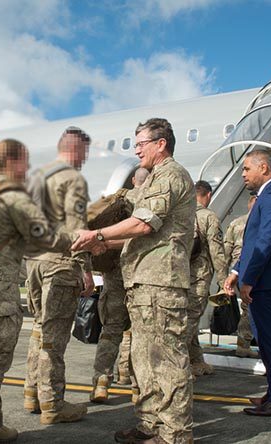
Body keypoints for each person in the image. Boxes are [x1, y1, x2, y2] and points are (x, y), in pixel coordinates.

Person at [73, 118, 196, 444]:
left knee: (166, 362)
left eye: (141, 142)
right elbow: (140, 236)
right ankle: (148, 426)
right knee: (143, 361)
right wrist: (102, 243)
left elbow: (143, 225)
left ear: (161, 144)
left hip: (161, 284)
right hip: (143, 284)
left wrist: (96, 233)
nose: (136, 148)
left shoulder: (170, 174)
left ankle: (174, 435)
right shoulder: (154, 178)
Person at [0, 139, 79, 444]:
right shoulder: (12, 196)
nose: (28, 167)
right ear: (12, 161)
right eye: (25, 160)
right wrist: (82, 237)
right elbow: (45, 235)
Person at [24, 126, 93, 424]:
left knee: (39, 330)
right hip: (59, 264)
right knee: (54, 340)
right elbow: (77, 228)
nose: (85, 159)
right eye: (85, 153)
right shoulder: (72, 178)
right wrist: (86, 269)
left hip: (33, 264)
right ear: (75, 149)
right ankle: (53, 405)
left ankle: (32, 395)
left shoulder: (36, 178)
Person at [224, 149, 271, 417]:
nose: (242, 174)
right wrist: (236, 271)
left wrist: (249, 279)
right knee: (265, 341)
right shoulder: (266, 196)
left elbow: (265, 243)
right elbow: (253, 243)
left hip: (265, 282)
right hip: (261, 280)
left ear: (263, 168)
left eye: (246, 169)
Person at [91, 167, 149, 402]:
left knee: (111, 329)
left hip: (114, 274)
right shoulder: (149, 203)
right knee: (139, 333)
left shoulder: (119, 200)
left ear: (134, 180)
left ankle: (101, 382)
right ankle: (138, 388)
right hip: (140, 274)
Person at [187, 180, 228, 377]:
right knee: (189, 322)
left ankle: (197, 361)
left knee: (188, 321)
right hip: (199, 278)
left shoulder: (182, 214)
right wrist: (223, 281)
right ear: (208, 195)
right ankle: (179, 368)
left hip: (177, 277)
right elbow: (217, 252)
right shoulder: (208, 217)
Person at [224, 194, 259, 358]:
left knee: (247, 307)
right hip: (251, 269)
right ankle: (244, 343)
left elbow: (226, 249)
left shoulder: (235, 223)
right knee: (249, 308)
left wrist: (226, 273)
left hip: (237, 270)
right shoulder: (261, 223)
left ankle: (244, 342)